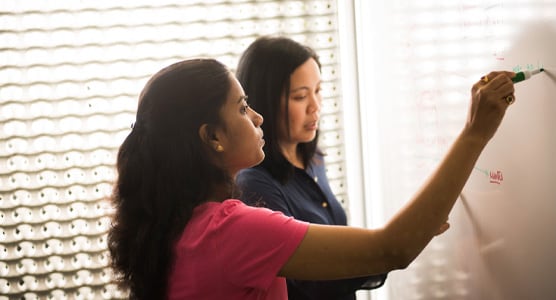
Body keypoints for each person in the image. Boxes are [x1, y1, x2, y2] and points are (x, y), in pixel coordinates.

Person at [107, 57, 515, 300]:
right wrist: (475, 132)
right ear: (211, 137)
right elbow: (393, 248)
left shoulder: (177, 223)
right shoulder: (232, 230)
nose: (258, 118)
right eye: (243, 107)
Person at [234, 36, 387, 300]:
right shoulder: (253, 184)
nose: (315, 106)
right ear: (264, 102)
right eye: (300, 96)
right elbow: (305, 285)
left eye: (318, 90)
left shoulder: (313, 158)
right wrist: (392, 247)